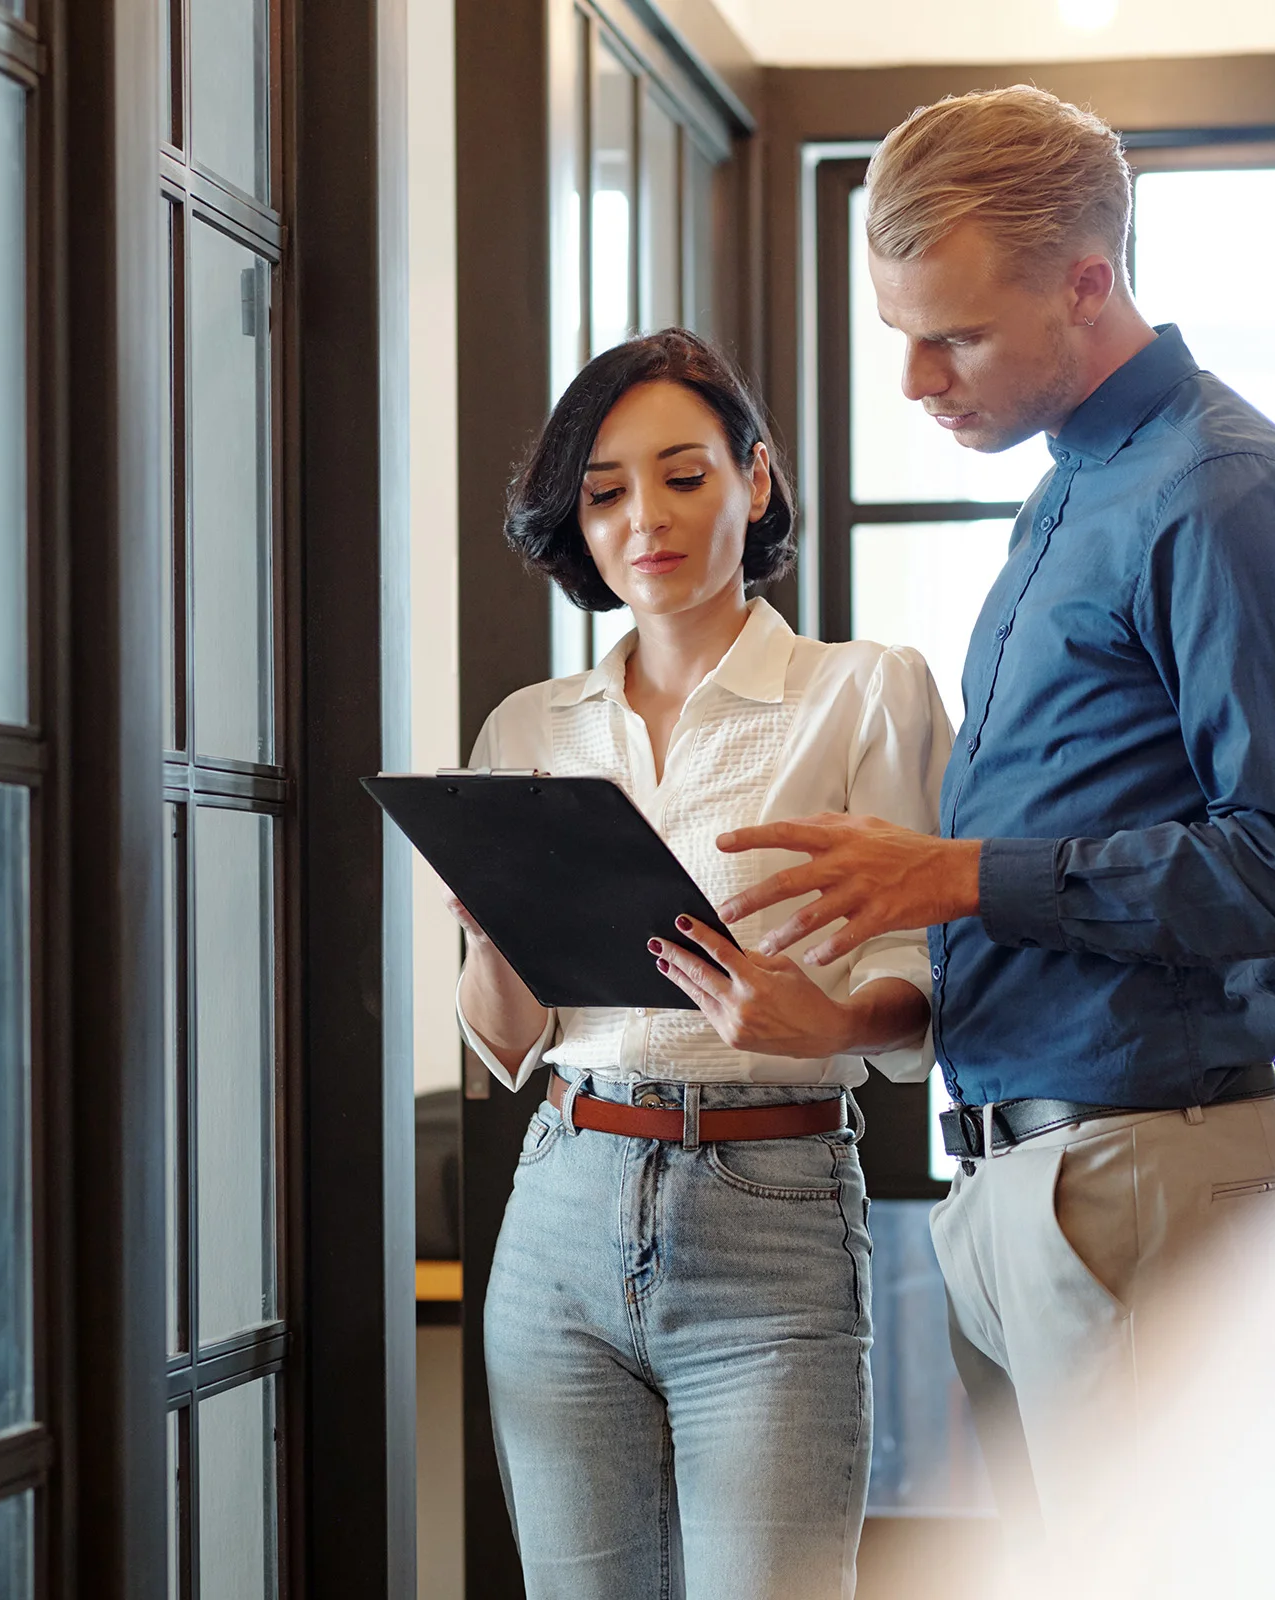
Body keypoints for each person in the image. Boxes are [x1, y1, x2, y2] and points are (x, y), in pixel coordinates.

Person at [717, 85, 1275, 1559]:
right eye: (897, 331)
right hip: (1022, 1187)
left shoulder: (1219, 493)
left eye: (951, 335)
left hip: (1147, 1179)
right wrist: (863, 1014)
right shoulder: (1071, 490)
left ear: (1089, 285)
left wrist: (950, 873)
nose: (913, 382)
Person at [451, 328, 952, 1600]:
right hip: (562, 1195)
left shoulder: (864, 694)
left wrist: (821, 1019)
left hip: (771, 1209)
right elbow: (507, 1040)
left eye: (682, 476)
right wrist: (485, 926)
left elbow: (931, 980)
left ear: (757, 479)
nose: (643, 521)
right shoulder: (527, 724)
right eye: (604, 492)